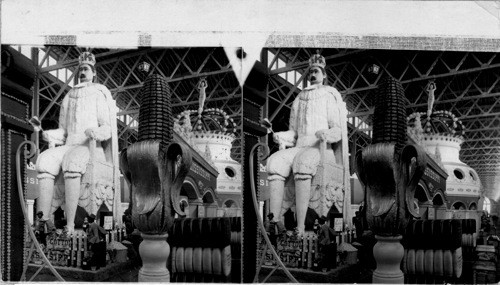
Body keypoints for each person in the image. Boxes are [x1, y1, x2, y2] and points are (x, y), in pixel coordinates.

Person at [35, 51, 120, 234]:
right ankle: (44, 221)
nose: (82, 72)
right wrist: (50, 134)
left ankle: (70, 225)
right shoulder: (69, 96)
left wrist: (95, 131)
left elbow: (107, 127)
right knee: (44, 160)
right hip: (70, 144)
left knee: (72, 161)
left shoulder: (99, 93)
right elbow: (63, 131)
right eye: (80, 69)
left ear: (93, 73)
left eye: (86, 69)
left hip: (91, 146)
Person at [266, 51, 349, 234]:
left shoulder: (329, 95)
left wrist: (325, 133)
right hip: (299, 146)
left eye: (316, 71)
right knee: (274, 162)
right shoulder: (299, 98)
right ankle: (275, 221)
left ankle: (301, 226)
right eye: (310, 71)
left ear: (324, 75)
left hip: (321, 147)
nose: (312, 74)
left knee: (303, 163)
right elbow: (294, 132)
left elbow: (337, 130)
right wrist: (280, 136)